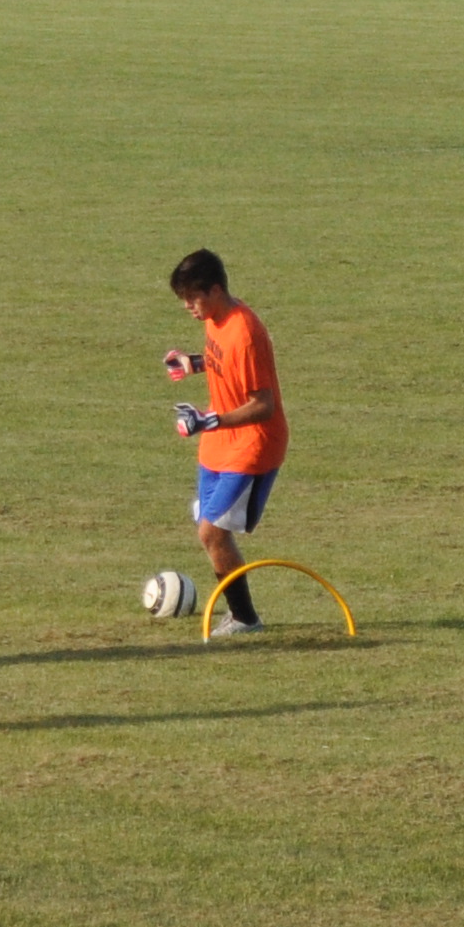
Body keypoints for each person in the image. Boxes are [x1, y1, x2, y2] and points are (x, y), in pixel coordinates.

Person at [162, 248, 286, 640]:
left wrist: (206, 420)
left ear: (215, 290)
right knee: (207, 524)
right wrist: (194, 363)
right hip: (218, 443)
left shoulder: (244, 331)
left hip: (252, 446)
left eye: (193, 299)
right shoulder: (218, 319)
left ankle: (245, 618)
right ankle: (241, 614)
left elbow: (263, 405)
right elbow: (224, 362)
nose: (188, 307)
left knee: (212, 532)